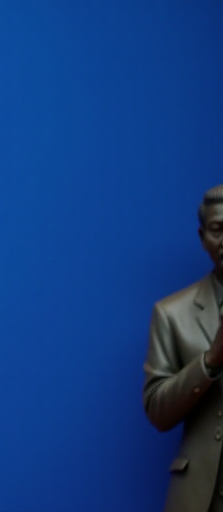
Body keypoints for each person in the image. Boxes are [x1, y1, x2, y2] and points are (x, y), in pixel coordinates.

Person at [144, 184, 223, 512]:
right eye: (218, 229)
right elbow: (157, 410)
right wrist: (209, 361)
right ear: (203, 236)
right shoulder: (172, 313)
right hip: (201, 496)